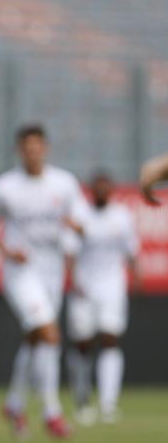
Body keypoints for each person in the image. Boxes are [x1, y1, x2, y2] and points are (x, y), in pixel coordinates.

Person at [0, 124, 87, 439]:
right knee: (49, 334)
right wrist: (6, 250)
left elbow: (81, 224)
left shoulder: (64, 183)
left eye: (37, 146)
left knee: (36, 340)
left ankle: (14, 403)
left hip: (51, 272)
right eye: (27, 147)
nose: (32, 152)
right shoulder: (5, 187)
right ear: (19, 150)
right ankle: (52, 412)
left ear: (45, 148)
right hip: (20, 273)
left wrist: (75, 227)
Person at [66, 171, 139, 425]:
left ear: (112, 190)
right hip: (83, 288)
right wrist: (72, 280)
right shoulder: (80, 217)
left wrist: (135, 277)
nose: (102, 192)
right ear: (91, 190)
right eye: (97, 187)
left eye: (106, 187)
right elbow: (70, 253)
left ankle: (108, 403)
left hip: (112, 287)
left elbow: (131, 251)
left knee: (110, 338)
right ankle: (82, 400)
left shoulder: (122, 216)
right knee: (83, 343)